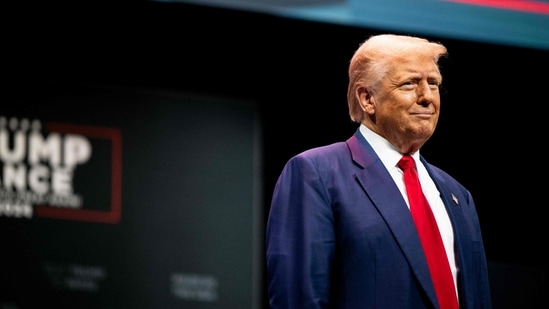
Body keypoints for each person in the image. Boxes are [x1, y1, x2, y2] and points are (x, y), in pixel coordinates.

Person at [265, 34, 492, 308]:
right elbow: (298, 299)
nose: (427, 97)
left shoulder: (458, 196)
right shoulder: (317, 174)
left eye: (433, 84)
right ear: (367, 98)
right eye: (410, 83)